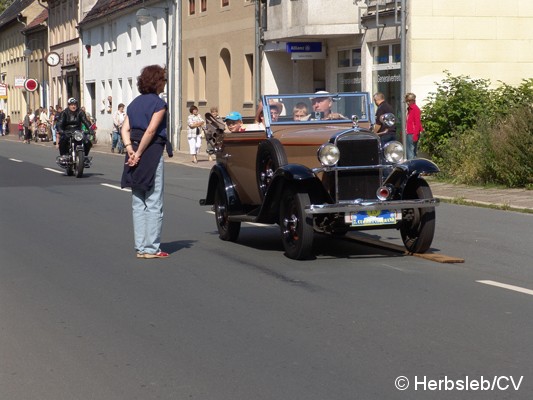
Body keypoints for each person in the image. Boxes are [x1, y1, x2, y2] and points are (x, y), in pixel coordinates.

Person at [120, 64, 169, 259]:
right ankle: (151, 248)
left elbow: (125, 130)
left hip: (132, 152)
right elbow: (151, 130)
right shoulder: (159, 104)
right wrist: (139, 153)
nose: (165, 83)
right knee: (154, 200)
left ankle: (140, 247)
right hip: (151, 152)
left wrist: (130, 150)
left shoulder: (133, 104)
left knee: (138, 201)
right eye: (163, 79)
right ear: (157, 82)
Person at [56, 98, 93, 164]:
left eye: (75, 104)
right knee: (63, 140)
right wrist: (61, 130)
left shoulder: (80, 112)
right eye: (72, 105)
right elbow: (60, 123)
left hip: (78, 132)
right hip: (67, 131)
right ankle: (63, 156)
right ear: (69, 105)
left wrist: (90, 129)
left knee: (87, 142)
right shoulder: (64, 113)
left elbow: (85, 121)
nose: (73, 106)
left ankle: (85, 157)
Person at [405, 92, 423, 159]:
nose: (408, 102)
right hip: (410, 132)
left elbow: (417, 123)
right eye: (407, 101)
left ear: (413, 100)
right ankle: (414, 166)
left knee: (410, 152)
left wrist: (415, 135)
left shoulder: (415, 109)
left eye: (409, 100)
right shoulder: (410, 109)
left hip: (412, 133)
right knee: (413, 152)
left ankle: (411, 167)